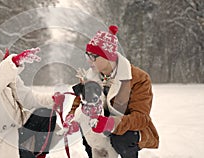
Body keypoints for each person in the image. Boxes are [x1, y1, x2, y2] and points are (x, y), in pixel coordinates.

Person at [60, 25, 159, 158]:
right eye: (87, 55)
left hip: (129, 129)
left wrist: (111, 123)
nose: (89, 61)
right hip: (98, 123)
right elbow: (79, 102)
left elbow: (141, 119)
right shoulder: (91, 76)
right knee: (88, 124)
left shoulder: (138, 78)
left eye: (93, 56)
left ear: (108, 57)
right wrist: (71, 118)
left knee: (121, 139)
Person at [0, 40, 64, 158]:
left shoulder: (8, 78)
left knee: (46, 115)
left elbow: (28, 98)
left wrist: (52, 99)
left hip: (15, 131)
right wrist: (12, 62)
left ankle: (40, 156)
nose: (1, 63)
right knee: (26, 155)